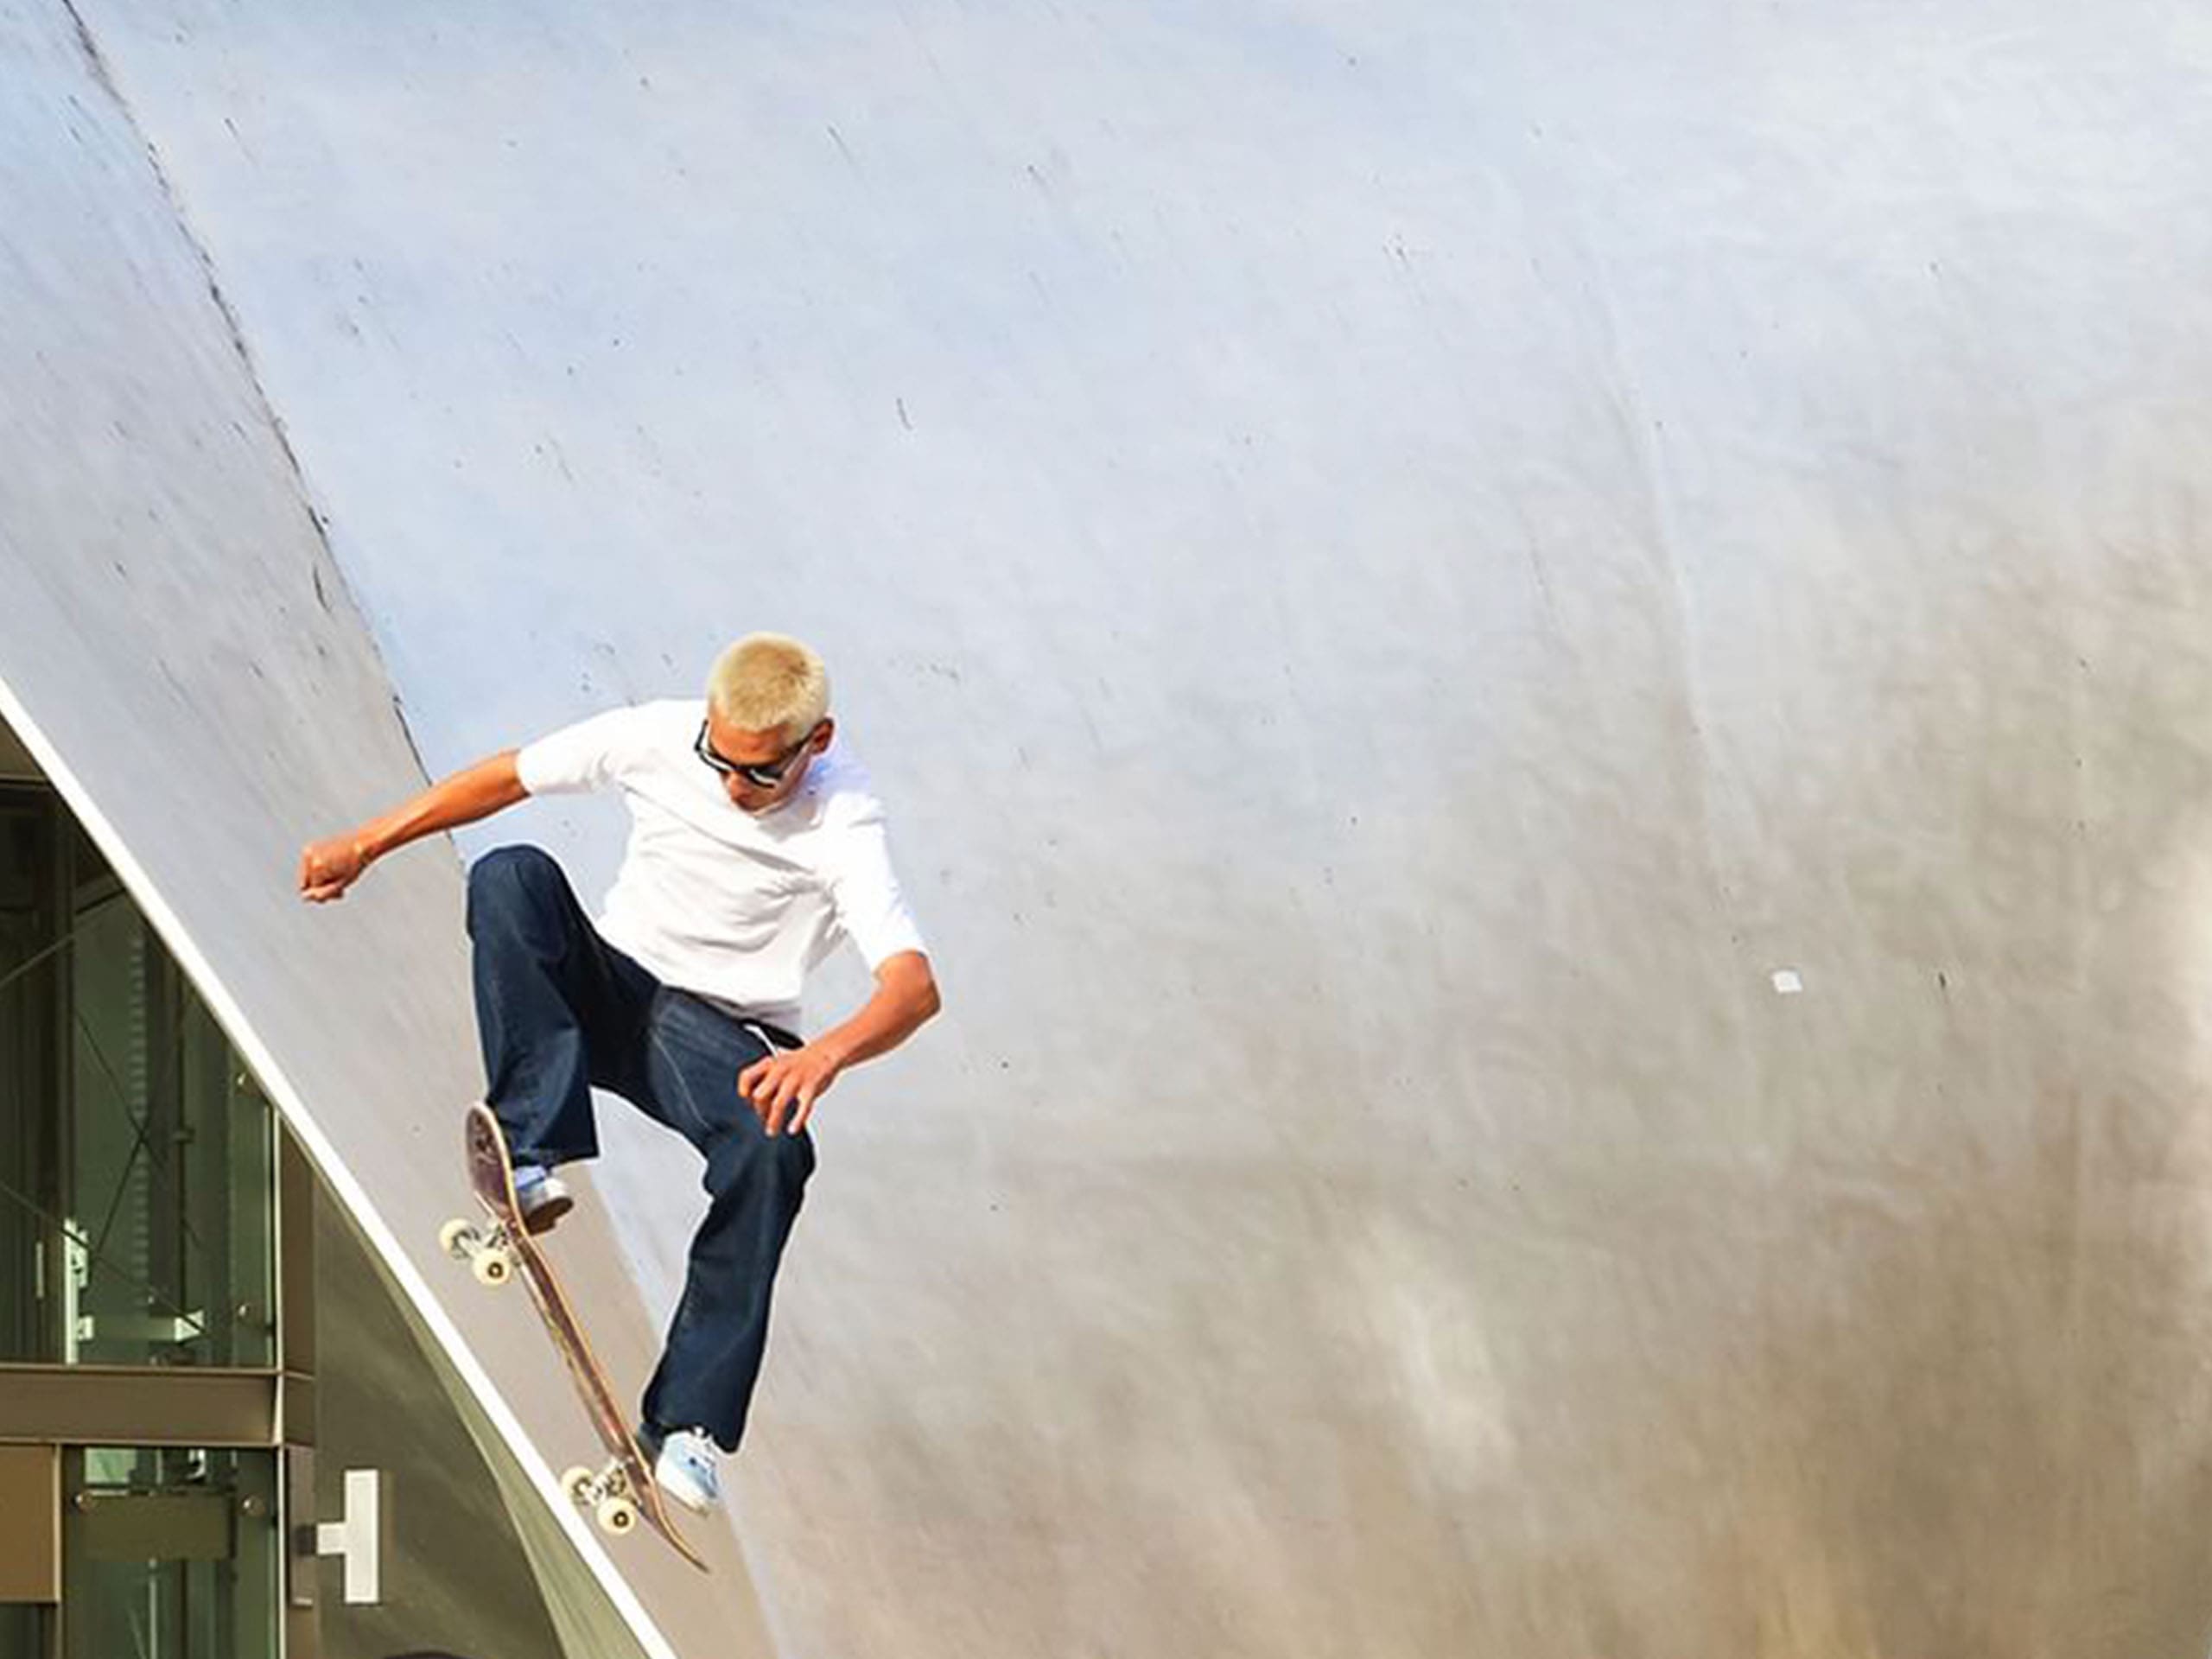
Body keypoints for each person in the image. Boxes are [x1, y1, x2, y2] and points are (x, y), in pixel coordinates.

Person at [296, 632, 940, 1514]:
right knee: (511, 875)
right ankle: (528, 1153)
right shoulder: (656, 734)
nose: (730, 786)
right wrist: (368, 843)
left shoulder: (845, 820)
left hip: (714, 1037)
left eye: (758, 774)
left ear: (814, 744)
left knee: (774, 1146)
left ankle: (688, 1424)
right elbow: (505, 777)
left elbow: (911, 987)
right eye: (719, 759)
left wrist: (824, 1054)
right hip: (610, 988)